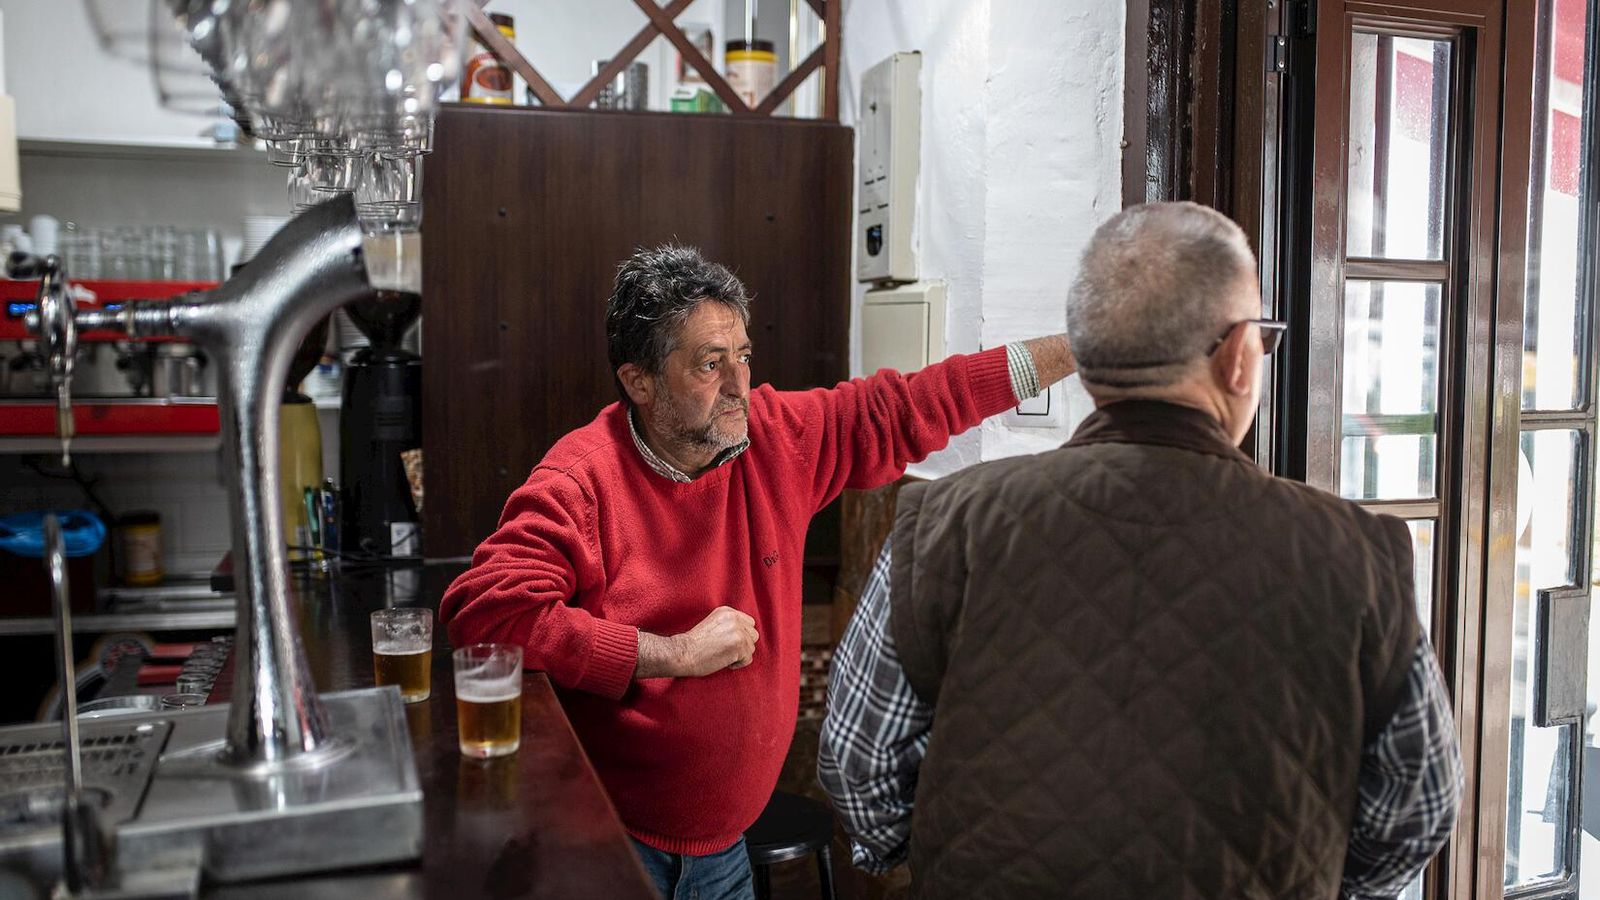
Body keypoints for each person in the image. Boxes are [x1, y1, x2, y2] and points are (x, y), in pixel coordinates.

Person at [818, 202, 1462, 900]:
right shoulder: (1357, 555)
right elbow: (1419, 804)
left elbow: (858, 760)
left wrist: (943, 852)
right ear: (1239, 358)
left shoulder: (944, 522)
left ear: (1091, 365)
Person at [438, 244, 1075, 900]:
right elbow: (484, 616)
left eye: (743, 356)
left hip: (725, 855)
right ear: (639, 381)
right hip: (615, 847)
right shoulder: (582, 479)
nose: (739, 384)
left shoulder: (773, 439)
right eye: (710, 364)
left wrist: (1079, 347)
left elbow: (916, 403)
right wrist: (670, 654)